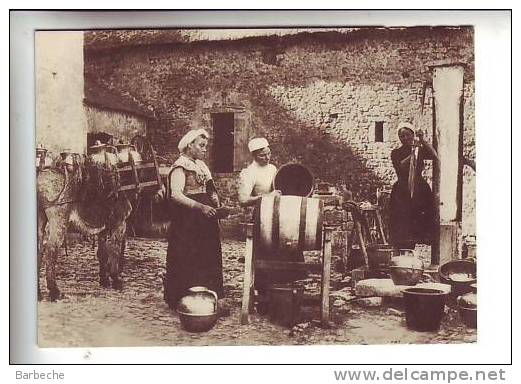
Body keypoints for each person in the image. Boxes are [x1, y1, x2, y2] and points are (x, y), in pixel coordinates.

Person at [164, 128, 224, 310]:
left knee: (207, 255)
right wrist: (200, 207)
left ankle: (208, 296)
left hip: (205, 221)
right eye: (201, 145)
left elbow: (209, 188)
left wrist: (215, 202)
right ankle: (184, 299)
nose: (205, 149)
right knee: (187, 256)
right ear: (190, 145)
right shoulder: (180, 166)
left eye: (206, 146)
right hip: (188, 221)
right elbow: (176, 195)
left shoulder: (201, 166)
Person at [389, 122, 439, 250]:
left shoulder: (420, 149)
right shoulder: (396, 153)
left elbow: (434, 155)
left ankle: (420, 241)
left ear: (412, 135)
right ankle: (403, 248)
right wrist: (414, 152)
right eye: (402, 136)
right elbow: (401, 166)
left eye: (407, 135)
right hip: (402, 189)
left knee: (419, 216)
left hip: (419, 188)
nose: (405, 138)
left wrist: (422, 139)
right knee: (403, 219)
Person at [237, 137, 280, 207]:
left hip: (275, 209)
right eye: (262, 155)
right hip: (260, 211)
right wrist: (268, 196)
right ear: (253, 156)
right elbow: (243, 200)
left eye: (269, 153)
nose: (267, 158)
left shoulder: (272, 168)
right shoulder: (249, 172)